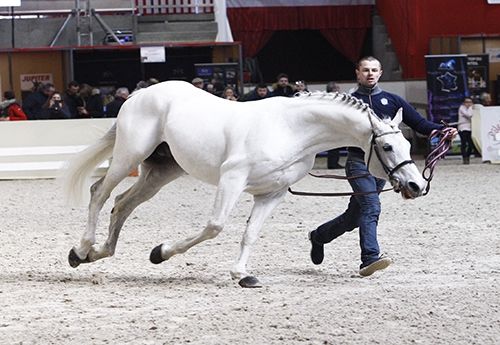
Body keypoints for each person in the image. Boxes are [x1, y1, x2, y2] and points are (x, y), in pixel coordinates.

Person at [308, 56, 458, 277]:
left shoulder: (393, 100)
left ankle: (319, 236)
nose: (370, 73)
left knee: (354, 217)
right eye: (365, 70)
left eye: (374, 70)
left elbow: (419, 124)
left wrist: (442, 130)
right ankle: (369, 258)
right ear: (358, 73)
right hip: (358, 162)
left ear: (380, 73)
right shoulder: (346, 102)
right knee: (371, 207)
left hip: (384, 167)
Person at [325, 81, 345, 169]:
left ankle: (333, 162)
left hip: (329, 122)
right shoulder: (334, 97)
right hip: (333, 123)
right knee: (334, 145)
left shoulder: (326, 97)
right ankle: (333, 163)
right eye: (337, 87)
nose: (338, 89)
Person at [458, 97, 475, 164]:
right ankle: (465, 158)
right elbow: (468, 115)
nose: (468, 104)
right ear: (464, 103)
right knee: (464, 144)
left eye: (470, 102)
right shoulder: (462, 108)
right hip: (463, 128)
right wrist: (471, 108)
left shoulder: (471, 109)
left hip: (470, 128)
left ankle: (467, 156)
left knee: (471, 145)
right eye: (467, 102)